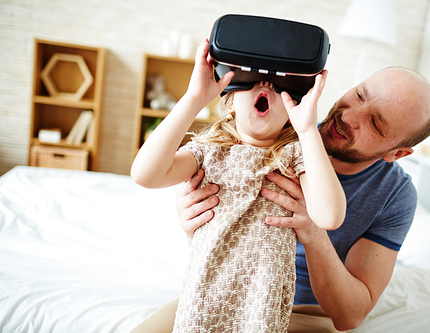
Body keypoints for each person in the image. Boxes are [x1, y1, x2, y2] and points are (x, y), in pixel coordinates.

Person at [168, 66, 430, 332]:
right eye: (359, 95)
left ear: (397, 153)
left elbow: (350, 316)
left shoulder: (395, 193)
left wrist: (313, 232)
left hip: (306, 312)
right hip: (224, 293)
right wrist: (194, 219)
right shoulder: (276, 130)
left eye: (374, 123)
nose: (349, 117)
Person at [130, 39, 346, 332]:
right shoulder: (208, 151)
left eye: (277, 85)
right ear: (229, 101)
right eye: (253, 80)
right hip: (206, 292)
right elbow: (145, 174)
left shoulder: (295, 155)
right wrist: (194, 98)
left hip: (261, 301)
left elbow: (329, 216)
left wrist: (307, 129)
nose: (266, 86)